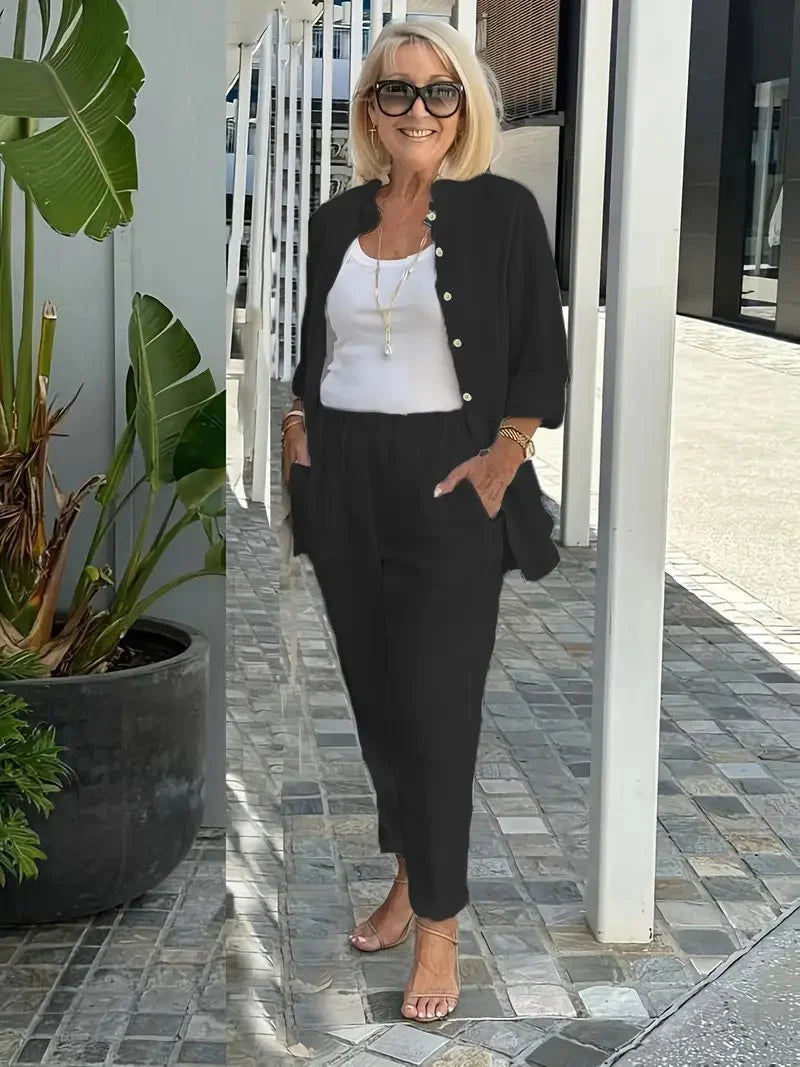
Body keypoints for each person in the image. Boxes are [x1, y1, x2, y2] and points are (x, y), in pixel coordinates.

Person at [282, 20, 568, 1022]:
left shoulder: (503, 212)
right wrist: (297, 431)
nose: (418, 109)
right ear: (370, 108)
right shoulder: (334, 221)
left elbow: (538, 357)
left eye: (439, 91)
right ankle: (407, 875)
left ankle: (439, 926)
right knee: (377, 705)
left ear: (465, 105)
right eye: (396, 91)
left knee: (436, 713)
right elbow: (313, 349)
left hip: (448, 485)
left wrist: (502, 458)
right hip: (343, 481)